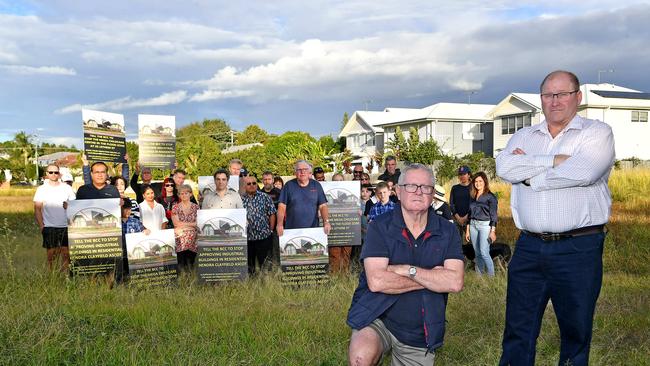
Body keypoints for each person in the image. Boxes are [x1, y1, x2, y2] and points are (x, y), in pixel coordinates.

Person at [496, 70, 615, 366]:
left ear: (578, 97)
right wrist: (553, 161)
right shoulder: (523, 135)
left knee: (575, 329)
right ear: (541, 100)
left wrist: (530, 176)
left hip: (579, 248)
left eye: (562, 94)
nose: (555, 101)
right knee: (518, 328)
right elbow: (504, 168)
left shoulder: (597, 133)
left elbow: (585, 172)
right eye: (549, 95)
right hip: (529, 247)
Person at [347, 163, 464, 365]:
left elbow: (455, 282)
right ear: (399, 192)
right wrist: (433, 277)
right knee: (360, 357)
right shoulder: (380, 227)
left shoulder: (447, 230)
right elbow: (376, 281)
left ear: (433, 194)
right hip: (377, 315)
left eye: (425, 187)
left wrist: (406, 270)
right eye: (411, 186)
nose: (418, 192)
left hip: (420, 328)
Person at [33, 164, 76, 271]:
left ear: (59, 174)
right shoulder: (41, 189)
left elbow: (75, 205)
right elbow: (37, 208)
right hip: (49, 226)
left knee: (66, 254)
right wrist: (42, 226)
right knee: (51, 255)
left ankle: (65, 277)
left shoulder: (67, 188)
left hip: (66, 226)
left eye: (56, 172)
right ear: (47, 174)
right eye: (51, 172)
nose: (53, 174)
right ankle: (52, 277)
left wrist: (69, 206)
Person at [276, 160, 330, 237]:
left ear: (309, 172)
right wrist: (279, 224)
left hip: (312, 229)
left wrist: (326, 222)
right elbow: (281, 206)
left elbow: (323, 206)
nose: (302, 172)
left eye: (305, 169)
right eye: (299, 170)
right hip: (292, 230)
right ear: (295, 172)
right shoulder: (288, 186)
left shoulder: (316, 185)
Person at [241, 175, 277, 275]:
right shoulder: (240, 199)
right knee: (249, 265)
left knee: (265, 264)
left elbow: (272, 213)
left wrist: (271, 230)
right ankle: (252, 283)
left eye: (254, 183)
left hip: (263, 236)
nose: (252, 185)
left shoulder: (265, 197)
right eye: (249, 184)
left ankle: (266, 282)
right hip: (247, 238)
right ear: (244, 186)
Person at [464, 172, 498, 276]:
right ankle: (480, 276)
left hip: (485, 226)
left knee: (484, 252)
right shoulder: (473, 196)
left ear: (485, 182)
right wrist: (467, 230)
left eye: (480, 181)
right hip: (473, 225)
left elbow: (494, 216)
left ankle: (491, 277)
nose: (478, 183)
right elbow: (470, 214)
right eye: (476, 181)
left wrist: (493, 231)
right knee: (477, 252)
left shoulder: (490, 197)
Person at [120, 197, 149, 282]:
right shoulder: (115, 223)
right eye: (125, 209)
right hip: (120, 256)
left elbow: (143, 230)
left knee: (132, 275)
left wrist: (146, 231)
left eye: (129, 209)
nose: (128, 211)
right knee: (121, 276)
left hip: (132, 256)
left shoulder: (135, 221)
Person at [171, 184, 199, 273]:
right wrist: (191, 225)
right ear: (179, 195)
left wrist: (183, 225)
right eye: (181, 193)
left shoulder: (196, 207)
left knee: (190, 263)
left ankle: (191, 276)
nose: (184, 195)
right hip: (180, 236)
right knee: (181, 263)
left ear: (190, 194)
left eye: (186, 193)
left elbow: (198, 224)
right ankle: (182, 277)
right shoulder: (175, 207)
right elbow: (176, 223)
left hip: (193, 238)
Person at [450, 166, 472, 243]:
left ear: (469, 175)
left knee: (471, 243)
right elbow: (452, 204)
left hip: (470, 220)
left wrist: (466, 217)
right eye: (460, 174)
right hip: (457, 219)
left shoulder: (473, 187)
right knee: (457, 243)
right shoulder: (455, 188)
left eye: (464, 174)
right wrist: (458, 217)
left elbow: (474, 204)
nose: (462, 176)